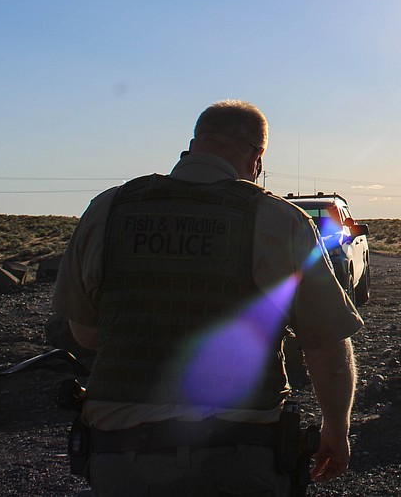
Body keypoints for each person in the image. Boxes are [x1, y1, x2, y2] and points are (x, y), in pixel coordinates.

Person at [53, 100, 362, 496]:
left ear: (194, 145)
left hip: (120, 453)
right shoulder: (277, 219)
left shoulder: (108, 209)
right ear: (257, 158)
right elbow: (326, 347)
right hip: (241, 453)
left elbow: (86, 334)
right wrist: (337, 430)